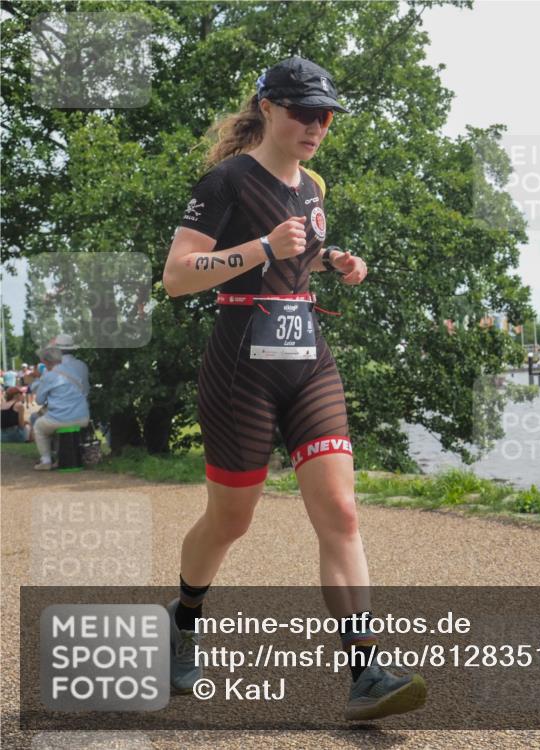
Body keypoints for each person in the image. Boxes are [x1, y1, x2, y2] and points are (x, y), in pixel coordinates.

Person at [161, 56, 426, 721]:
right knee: (232, 521)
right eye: (306, 112)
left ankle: (366, 669)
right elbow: (177, 275)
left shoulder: (315, 186)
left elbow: (299, 249)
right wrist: (259, 247)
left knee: (341, 511)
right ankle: (183, 618)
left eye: (327, 115)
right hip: (239, 365)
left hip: (307, 355)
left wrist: (336, 259)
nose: (318, 125)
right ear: (269, 109)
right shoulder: (224, 181)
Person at [28, 337, 90, 470]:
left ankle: (46, 460)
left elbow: (39, 400)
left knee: (39, 426)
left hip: (63, 416)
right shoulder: (79, 367)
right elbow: (85, 390)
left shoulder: (49, 373)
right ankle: (62, 457)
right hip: (83, 415)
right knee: (55, 418)